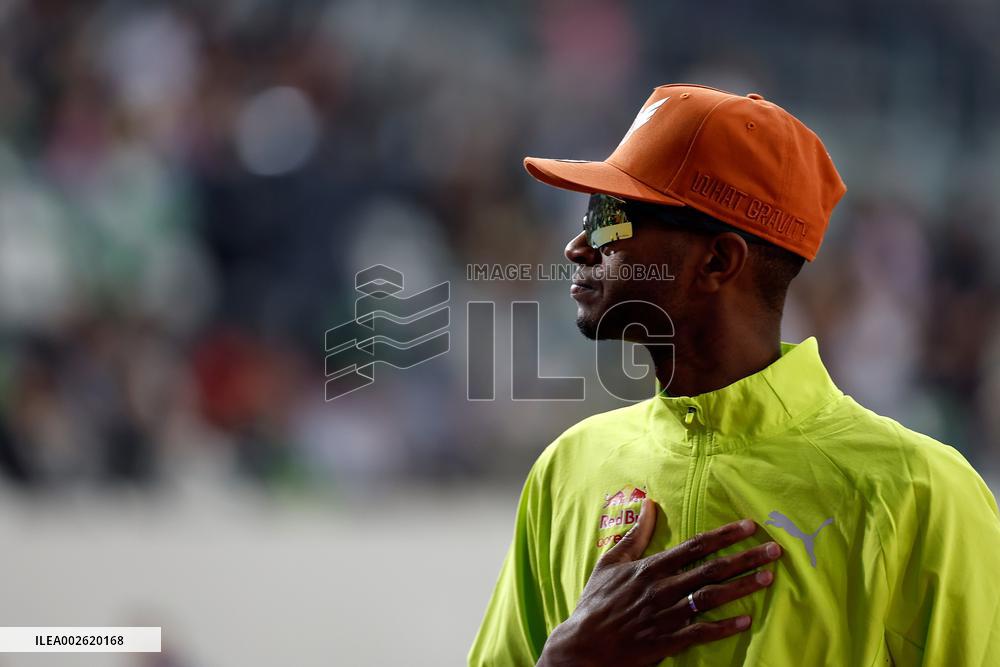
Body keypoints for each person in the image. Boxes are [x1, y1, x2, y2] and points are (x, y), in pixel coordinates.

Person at [468, 84, 1000, 666]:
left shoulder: (918, 494)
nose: (577, 246)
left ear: (718, 261)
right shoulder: (567, 469)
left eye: (609, 219)